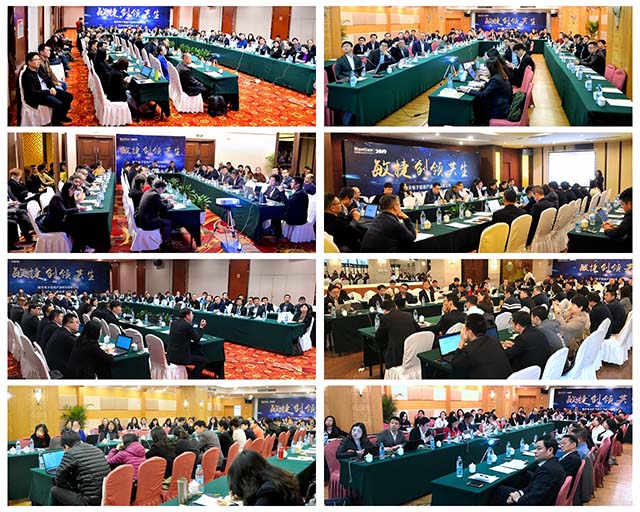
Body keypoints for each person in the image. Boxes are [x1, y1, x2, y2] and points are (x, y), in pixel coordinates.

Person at [495, 436, 566, 505]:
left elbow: (533, 501)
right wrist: (519, 493)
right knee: (502, 489)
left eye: (539, 449)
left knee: (498, 491)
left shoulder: (548, 471)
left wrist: (518, 499)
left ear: (550, 450)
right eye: (536, 448)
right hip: (536, 497)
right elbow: (532, 486)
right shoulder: (552, 464)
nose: (535, 451)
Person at [51, 431, 111, 505]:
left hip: (89, 501)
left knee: (55, 489)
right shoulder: (96, 449)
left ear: (66, 446)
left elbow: (58, 478)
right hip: (105, 496)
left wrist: (69, 487)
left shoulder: (70, 453)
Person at [227, 450, 303, 505]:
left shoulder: (268, 492)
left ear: (245, 480)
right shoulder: (276, 477)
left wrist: (231, 505)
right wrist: (244, 497)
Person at [450, 314, 512, 379]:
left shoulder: (469, 350)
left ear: (469, 332)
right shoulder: (495, 340)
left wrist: (462, 341)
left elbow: (454, 364)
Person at [20, 52, 72, 126]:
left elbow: (47, 78)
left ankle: (61, 116)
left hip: (47, 90)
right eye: (36, 60)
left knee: (69, 96)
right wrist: (48, 92)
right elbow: (32, 93)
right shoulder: (27, 76)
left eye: (39, 59)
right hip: (38, 96)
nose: (39, 61)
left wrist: (52, 87)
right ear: (29, 62)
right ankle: (56, 122)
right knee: (59, 104)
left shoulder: (39, 68)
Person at [465, 57, 512, 126]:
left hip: (499, 109)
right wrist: (483, 86)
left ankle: (479, 123)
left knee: (476, 102)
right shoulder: (500, 74)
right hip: (504, 104)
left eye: (487, 69)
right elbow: (493, 87)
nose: (486, 70)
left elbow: (483, 95)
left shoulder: (495, 79)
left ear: (491, 69)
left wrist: (467, 90)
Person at [375, 299, 419, 369]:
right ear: (396, 307)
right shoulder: (408, 315)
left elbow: (378, 336)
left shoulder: (384, 318)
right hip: (411, 349)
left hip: (396, 354)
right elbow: (418, 329)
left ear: (384, 310)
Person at [167, 308, 208, 379]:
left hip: (170, 354)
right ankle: (193, 377)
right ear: (187, 316)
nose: (193, 316)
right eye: (192, 314)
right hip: (180, 357)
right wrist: (201, 327)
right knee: (203, 360)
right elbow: (196, 339)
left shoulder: (174, 323)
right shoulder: (187, 326)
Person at [135, 180, 172, 247]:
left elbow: (157, 202)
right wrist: (171, 204)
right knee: (168, 222)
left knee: (163, 218)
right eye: (163, 189)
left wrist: (165, 200)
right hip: (146, 223)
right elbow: (164, 208)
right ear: (160, 188)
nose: (163, 191)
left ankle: (163, 237)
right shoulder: (155, 195)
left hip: (141, 219)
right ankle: (165, 243)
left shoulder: (149, 191)